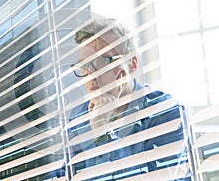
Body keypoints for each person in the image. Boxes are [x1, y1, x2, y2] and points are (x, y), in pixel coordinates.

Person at [68, 18, 188, 179]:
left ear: (132, 64)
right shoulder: (78, 118)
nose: (91, 73)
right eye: (84, 64)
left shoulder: (165, 111)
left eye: (102, 61)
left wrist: (101, 132)